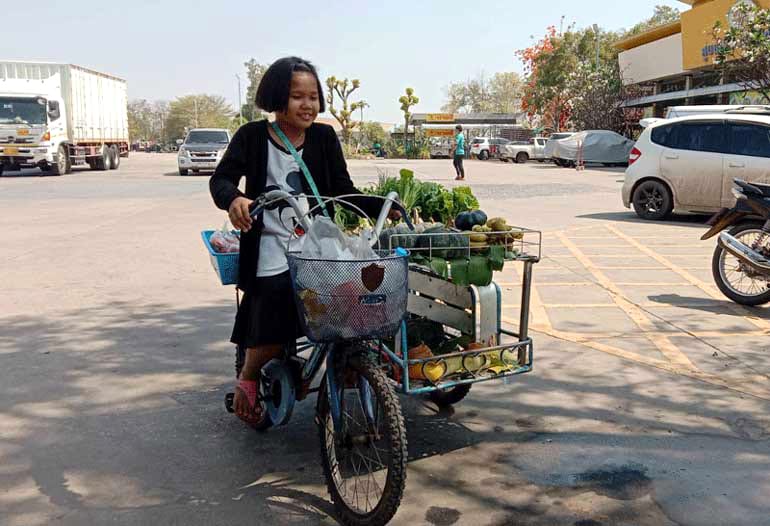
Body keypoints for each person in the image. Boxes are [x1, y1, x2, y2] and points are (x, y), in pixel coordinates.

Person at [209, 56, 398, 427]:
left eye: (313, 97)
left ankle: (345, 362)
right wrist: (235, 200)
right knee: (279, 301)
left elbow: (341, 189)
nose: (307, 105)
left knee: (351, 295)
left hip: (315, 244)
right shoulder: (251, 137)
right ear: (278, 97)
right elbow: (222, 180)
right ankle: (248, 375)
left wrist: (380, 205)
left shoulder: (325, 138)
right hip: (268, 247)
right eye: (298, 96)